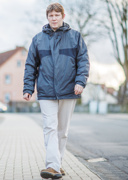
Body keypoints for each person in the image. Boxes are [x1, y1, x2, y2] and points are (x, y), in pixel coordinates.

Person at [23, 2, 90, 179]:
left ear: (63, 16)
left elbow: (83, 62)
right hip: (46, 91)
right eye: (51, 16)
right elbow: (31, 65)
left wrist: (80, 82)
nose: (53, 18)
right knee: (50, 128)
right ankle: (52, 165)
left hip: (69, 90)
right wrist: (28, 87)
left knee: (62, 131)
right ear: (47, 18)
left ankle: (57, 165)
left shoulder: (75, 37)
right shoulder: (38, 39)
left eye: (56, 15)